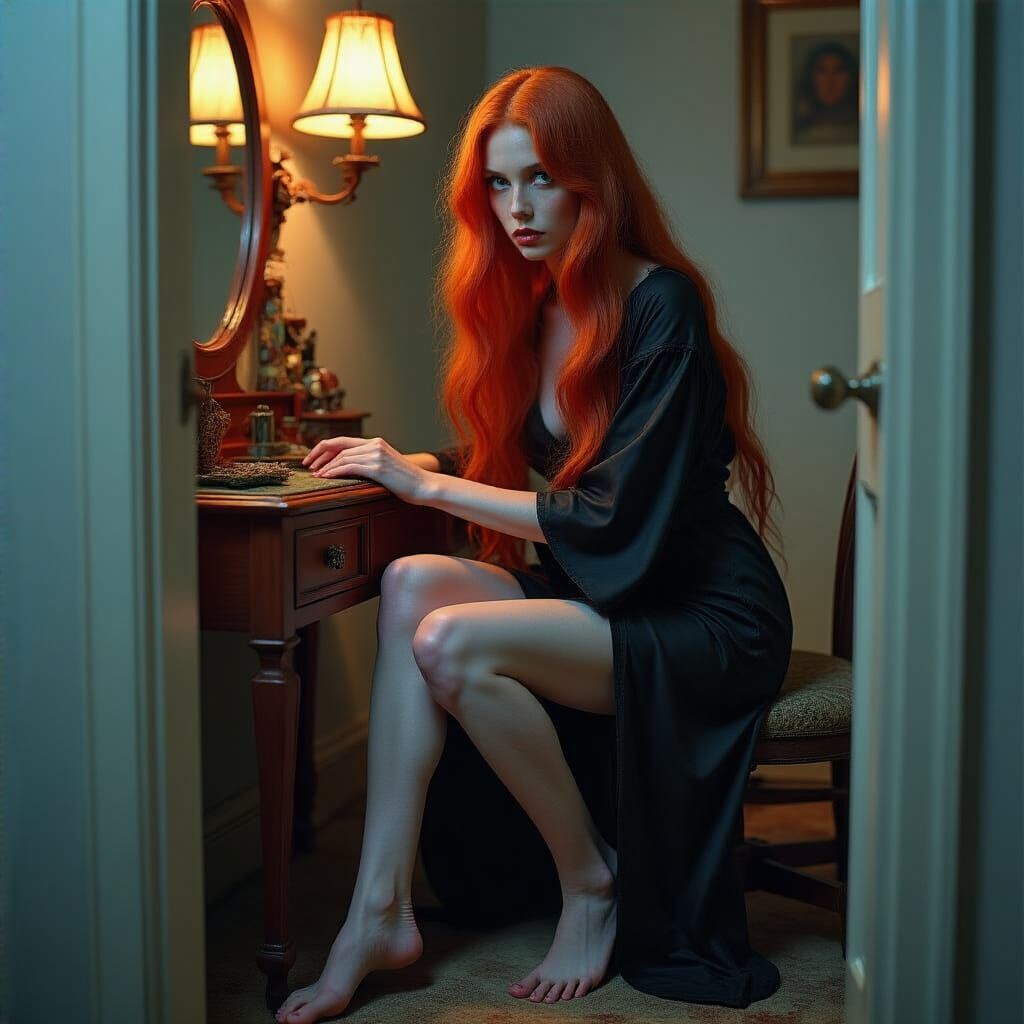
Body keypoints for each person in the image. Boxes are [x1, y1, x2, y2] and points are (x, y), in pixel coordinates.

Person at [276, 65, 793, 1023]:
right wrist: (404, 460)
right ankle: (376, 909)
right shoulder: (531, 303)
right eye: (500, 185)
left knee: (448, 642)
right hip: (605, 592)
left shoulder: (660, 303)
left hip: (700, 615)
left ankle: (590, 880)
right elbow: (516, 469)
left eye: (541, 179)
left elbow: (609, 518)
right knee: (412, 585)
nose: (517, 207)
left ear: (593, 181)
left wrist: (421, 481)